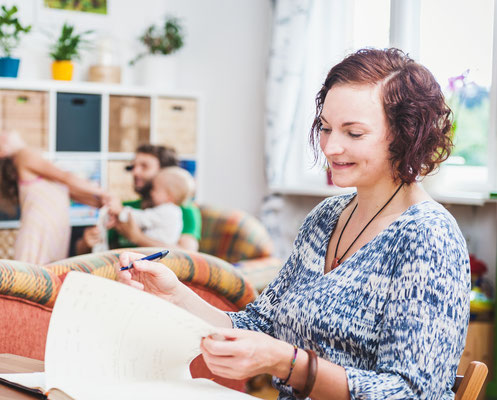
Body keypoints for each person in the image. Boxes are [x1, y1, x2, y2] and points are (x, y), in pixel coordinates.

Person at [117, 48, 470, 399]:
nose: (331, 147)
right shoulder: (325, 218)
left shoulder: (429, 236)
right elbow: (260, 326)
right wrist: (175, 294)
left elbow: (410, 393)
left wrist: (288, 363)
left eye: (354, 133)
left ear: (408, 136)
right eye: (326, 128)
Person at [0, 130, 107, 264]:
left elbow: (72, 192)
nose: (3, 133)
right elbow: (66, 177)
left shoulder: (27, 162)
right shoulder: (23, 155)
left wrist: (104, 204)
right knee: (35, 281)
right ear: (1, 152)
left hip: (53, 234)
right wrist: (106, 194)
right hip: (38, 235)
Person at [76, 144, 202, 253]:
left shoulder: (185, 210)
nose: (135, 172)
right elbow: (81, 250)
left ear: (165, 172)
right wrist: (86, 242)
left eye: (144, 166)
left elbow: (187, 255)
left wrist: (137, 237)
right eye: (133, 166)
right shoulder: (127, 207)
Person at [108, 166, 195, 246]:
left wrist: (120, 211)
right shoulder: (172, 210)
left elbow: (142, 218)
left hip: (156, 252)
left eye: (155, 189)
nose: (151, 192)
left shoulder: (168, 210)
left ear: (169, 196)